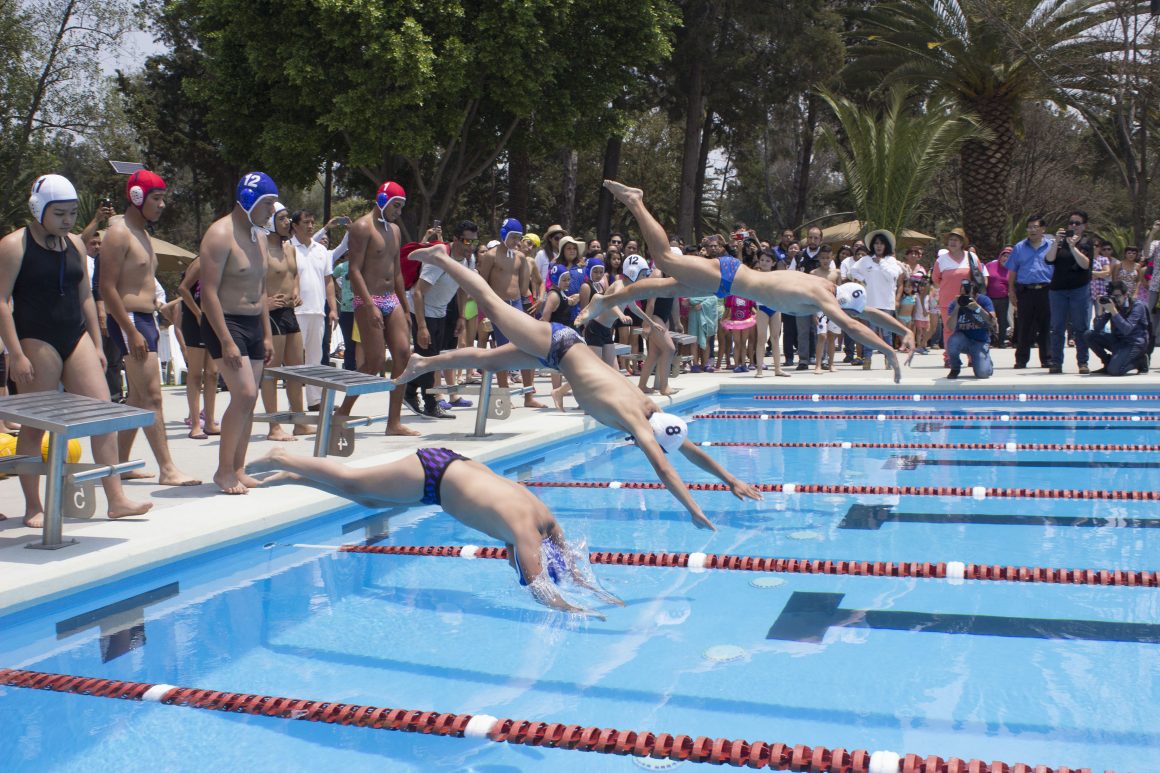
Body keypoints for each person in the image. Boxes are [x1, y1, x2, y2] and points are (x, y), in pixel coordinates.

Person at [396, 243, 763, 531]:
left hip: (560, 353)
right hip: (558, 343)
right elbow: (666, 469)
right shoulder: (635, 418)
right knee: (492, 304)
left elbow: (688, 449)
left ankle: (424, 363)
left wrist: (730, 479)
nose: (649, 445)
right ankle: (443, 260)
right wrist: (693, 509)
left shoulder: (650, 408)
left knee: (486, 360)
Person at [582, 181, 906, 381]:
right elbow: (854, 325)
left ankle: (605, 301)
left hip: (727, 282)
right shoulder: (824, 298)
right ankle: (636, 200)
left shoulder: (828, 283)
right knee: (665, 260)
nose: (847, 314)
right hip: (729, 275)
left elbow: (867, 313)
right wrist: (888, 353)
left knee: (663, 286)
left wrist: (902, 331)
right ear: (842, 303)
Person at [248, 447, 621, 617]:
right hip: (433, 475)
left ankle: (295, 476)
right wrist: (574, 609)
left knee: (370, 504)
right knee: (354, 482)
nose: (516, 565)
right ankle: (281, 456)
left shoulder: (545, 521)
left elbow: (569, 560)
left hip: (452, 468)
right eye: (520, 563)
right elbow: (540, 588)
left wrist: (594, 589)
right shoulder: (524, 534)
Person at [0, 174, 152, 525]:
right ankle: (34, 506)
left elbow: (86, 295)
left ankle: (116, 498)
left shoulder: (76, 245)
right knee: (37, 427)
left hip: (74, 335)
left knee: (102, 414)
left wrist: (97, 343)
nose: (68, 221)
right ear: (39, 210)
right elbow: (2, 302)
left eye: (71, 213)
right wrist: (16, 354)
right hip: (35, 339)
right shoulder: (14, 246)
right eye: (60, 214)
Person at [99, 170, 199, 486]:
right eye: (156, 198)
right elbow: (107, 288)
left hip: (145, 318)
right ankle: (168, 469)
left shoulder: (142, 233)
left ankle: (121, 463)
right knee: (153, 396)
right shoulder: (118, 234)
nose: (163, 204)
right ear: (137, 198)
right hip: (130, 320)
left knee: (138, 397)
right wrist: (129, 330)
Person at [199, 172, 277, 494]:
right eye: (268, 204)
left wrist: (267, 334)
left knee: (251, 398)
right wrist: (227, 341)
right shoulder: (219, 235)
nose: (272, 211)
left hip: (253, 323)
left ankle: (239, 467)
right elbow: (208, 295)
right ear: (249, 201)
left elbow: (260, 291)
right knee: (243, 393)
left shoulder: (259, 237)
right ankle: (223, 471)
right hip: (225, 323)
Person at [334, 182, 418, 434]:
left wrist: (405, 307)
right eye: (396, 206)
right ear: (381, 200)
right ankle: (341, 412)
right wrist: (369, 306)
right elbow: (354, 270)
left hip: (390, 298)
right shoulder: (361, 227)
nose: (399, 212)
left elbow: (397, 272)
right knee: (374, 362)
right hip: (366, 300)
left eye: (401, 207)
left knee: (404, 356)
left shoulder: (394, 230)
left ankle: (394, 423)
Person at [405, 221, 473, 419]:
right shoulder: (439, 258)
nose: (470, 246)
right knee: (429, 361)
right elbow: (418, 293)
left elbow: (462, 288)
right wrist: (422, 327)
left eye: (473, 242)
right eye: (467, 241)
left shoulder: (468, 259)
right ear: (456, 239)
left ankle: (409, 392)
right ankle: (430, 404)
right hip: (423, 311)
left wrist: (461, 316)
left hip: (441, 312)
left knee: (431, 358)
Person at [479, 217, 545, 408]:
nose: (517, 242)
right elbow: (482, 283)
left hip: (516, 305)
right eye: (513, 237)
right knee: (502, 350)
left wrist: (538, 299)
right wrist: (486, 310)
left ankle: (528, 395)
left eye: (519, 238)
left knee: (526, 347)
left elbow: (525, 286)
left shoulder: (520, 258)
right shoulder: (491, 256)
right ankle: (503, 394)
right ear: (503, 235)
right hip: (498, 307)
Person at [260, 202, 308, 440]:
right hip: (271, 315)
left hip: (289, 312)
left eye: (288, 218)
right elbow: (249, 282)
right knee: (271, 372)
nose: (287, 222)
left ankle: (299, 421)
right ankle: (274, 426)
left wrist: (296, 291)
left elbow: (294, 274)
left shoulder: (290, 248)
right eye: (282, 219)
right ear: (270, 223)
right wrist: (263, 303)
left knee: (297, 370)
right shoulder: (260, 250)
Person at [288, 210, 337, 405]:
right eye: (306, 222)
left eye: (312, 222)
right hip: (296, 312)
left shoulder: (321, 250)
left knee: (316, 358)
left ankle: (315, 400)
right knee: (295, 361)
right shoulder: (288, 247)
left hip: (318, 310)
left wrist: (332, 308)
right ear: (295, 226)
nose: (310, 226)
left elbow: (328, 281)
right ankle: (296, 403)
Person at [177, 257, 220, 439]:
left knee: (212, 373)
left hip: (214, 319)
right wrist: (198, 314)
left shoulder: (224, 261)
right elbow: (183, 289)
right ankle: (195, 424)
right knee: (195, 373)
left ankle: (209, 422)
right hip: (196, 320)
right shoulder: (202, 260)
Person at [1046, 210, 1094, 374]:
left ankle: (1083, 362)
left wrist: (1073, 246)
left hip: (1079, 290)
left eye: (1077, 223)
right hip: (1058, 290)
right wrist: (1056, 243)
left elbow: (1085, 264)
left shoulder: (1087, 242)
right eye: (1071, 223)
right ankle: (1056, 362)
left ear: (1084, 226)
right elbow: (1049, 260)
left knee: (1080, 327)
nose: (1073, 226)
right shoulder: (1059, 243)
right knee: (1057, 327)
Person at [1006, 215, 1053, 369]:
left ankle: (1047, 358)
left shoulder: (1052, 246)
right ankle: (1021, 359)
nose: (1032, 230)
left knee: (1045, 326)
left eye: (1035, 227)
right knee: (1024, 326)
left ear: (1043, 229)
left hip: (1046, 291)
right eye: (1030, 227)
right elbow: (1012, 272)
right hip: (1025, 291)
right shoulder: (1019, 247)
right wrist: (1011, 292)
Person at [1084, 280, 1150, 376]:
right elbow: (1097, 328)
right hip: (1118, 341)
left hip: (1134, 343)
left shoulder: (1137, 305)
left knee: (1115, 371)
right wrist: (1100, 310)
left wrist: (1113, 311)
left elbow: (1127, 329)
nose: (1115, 299)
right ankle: (1108, 362)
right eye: (1112, 296)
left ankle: (1140, 361)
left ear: (1125, 295)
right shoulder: (1112, 306)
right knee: (1089, 335)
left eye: (1117, 296)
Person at [945, 278, 997, 379]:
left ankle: (985, 360)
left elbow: (992, 321)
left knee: (983, 374)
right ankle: (955, 368)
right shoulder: (955, 303)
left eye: (968, 295)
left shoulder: (984, 300)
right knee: (952, 341)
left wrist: (978, 308)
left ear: (976, 294)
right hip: (963, 341)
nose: (965, 298)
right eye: (962, 294)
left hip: (980, 342)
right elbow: (950, 327)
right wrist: (957, 308)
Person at [984, 246, 1012, 346]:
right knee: (989, 319)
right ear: (1000, 256)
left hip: (1003, 299)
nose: (1006, 258)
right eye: (1004, 256)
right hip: (989, 298)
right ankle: (989, 340)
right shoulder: (990, 265)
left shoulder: (1011, 269)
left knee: (1002, 320)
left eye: (1009, 256)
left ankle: (1001, 341)